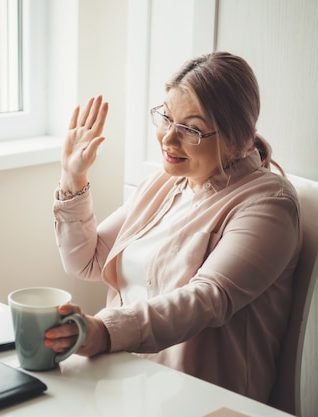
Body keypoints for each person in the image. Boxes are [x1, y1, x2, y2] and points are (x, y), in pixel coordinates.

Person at [45, 51, 302, 403]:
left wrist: (105, 330)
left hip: (203, 398)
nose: (167, 139)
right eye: (166, 118)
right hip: (126, 382)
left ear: (236, 137)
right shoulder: (163, 184)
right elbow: (85, 261)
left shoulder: (269, 204)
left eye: (191, 129)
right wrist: (72, 177)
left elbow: (207, 299)